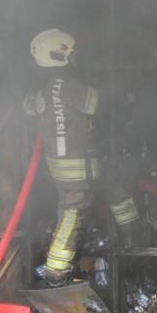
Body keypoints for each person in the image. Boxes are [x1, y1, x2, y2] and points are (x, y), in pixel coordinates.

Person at [26, 28, 140, 287]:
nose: (78, 58)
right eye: (73, 53)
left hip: (71, 164)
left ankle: (132, 230)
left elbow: (28, 107)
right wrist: (100, 81)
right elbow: (93, 103)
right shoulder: (67, 85)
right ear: (59, 56)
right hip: (77, 166)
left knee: (112, 183)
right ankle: (56, 272)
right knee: (72, 215)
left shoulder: (43, 89)